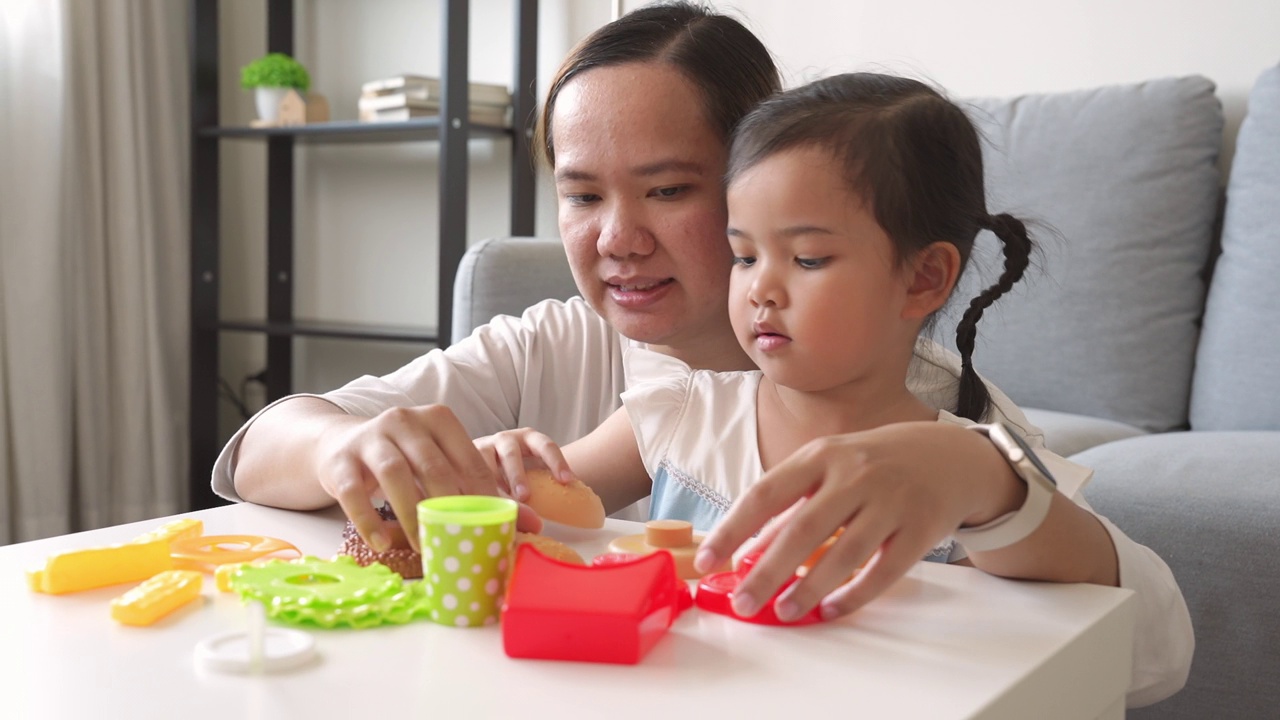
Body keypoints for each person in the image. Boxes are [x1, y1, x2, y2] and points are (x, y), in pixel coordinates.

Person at [216, 4, 1188, 705]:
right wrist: (358, 452)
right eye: (582, 194)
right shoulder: (571, 343)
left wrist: (988, 484)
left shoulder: (937, 422)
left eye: (670, 191)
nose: (615, 238)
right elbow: (259, 450)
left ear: (760, 177)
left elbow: (1145, 647)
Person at [477, 71, 1191, 707]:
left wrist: (989, 488)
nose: (761, 289)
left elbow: (1155, 653)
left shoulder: (965, 470)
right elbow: (547, 508)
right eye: (743, 254)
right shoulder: (682, 413)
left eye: (808, 257)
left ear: (923, 278)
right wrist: (506, 476)